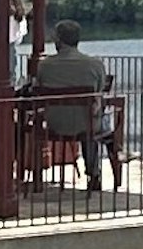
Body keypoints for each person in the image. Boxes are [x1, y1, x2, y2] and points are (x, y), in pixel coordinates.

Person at [23, 21, 116, 189]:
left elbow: (37, 87)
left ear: (58, 39)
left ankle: (36, 176)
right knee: (96, 120)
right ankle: (95, 173)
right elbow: (100, 92)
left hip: (55, 123)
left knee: (89, 119)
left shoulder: (45, 65)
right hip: (86, 123)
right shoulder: (94, 64)